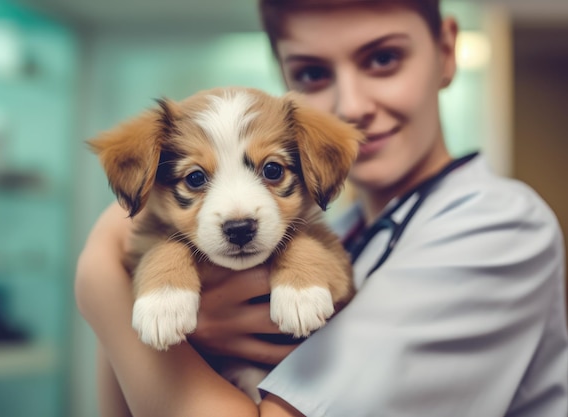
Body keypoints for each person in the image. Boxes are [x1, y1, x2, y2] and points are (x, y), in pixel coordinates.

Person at [75, 0, 568, 416]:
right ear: (283, 77)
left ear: (445, 51)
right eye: (312, 72)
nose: (351, 106)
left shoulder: (499, 231)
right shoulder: (344, 226)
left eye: (383, 59)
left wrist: (100, 274)